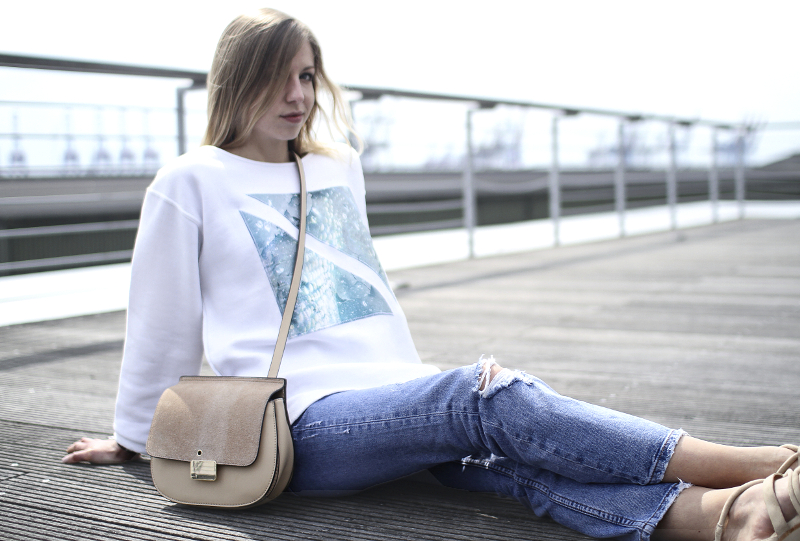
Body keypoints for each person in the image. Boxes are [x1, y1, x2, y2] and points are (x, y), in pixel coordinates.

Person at [62, 8, 799, 541]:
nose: (298, 96)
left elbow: (366, 297)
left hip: (387, 393)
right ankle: (764, 463)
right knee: (485, 397)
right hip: (293, 423)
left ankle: (731, 515)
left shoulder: (336, 167)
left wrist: (408, 384)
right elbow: (161, 319)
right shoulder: (189, 181)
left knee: (504, 458)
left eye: (307, 76)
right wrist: (133, 435)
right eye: (278, 79)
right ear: (237, 81)